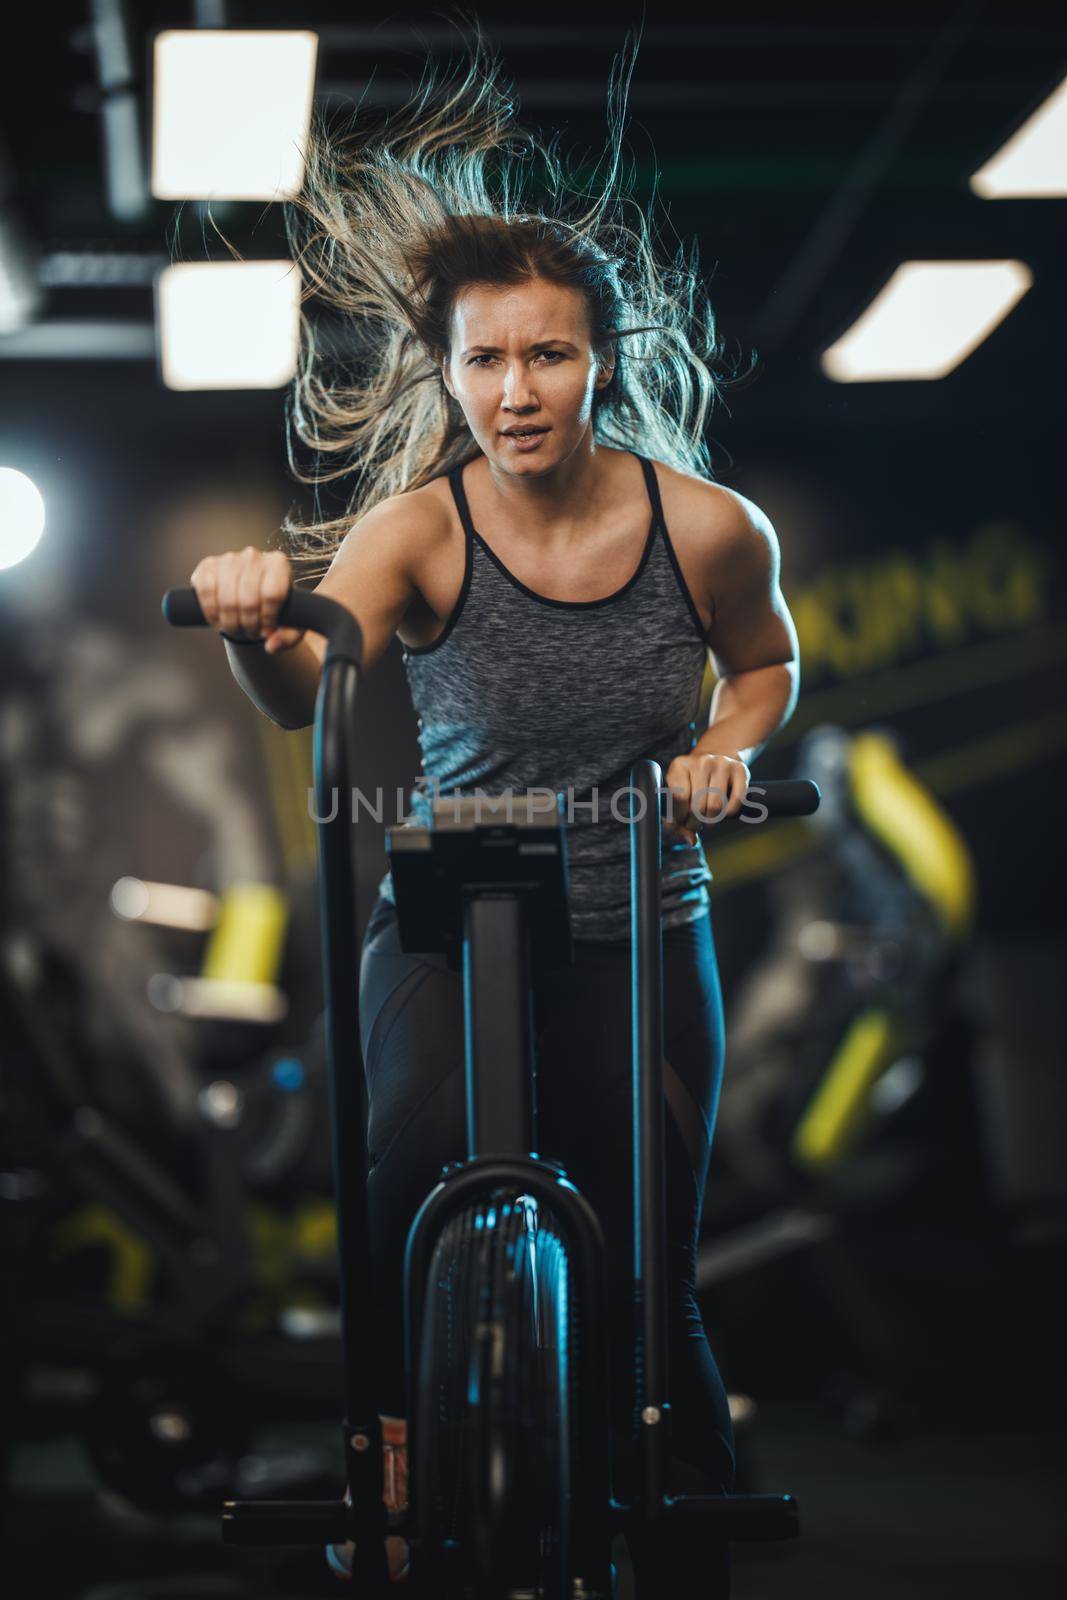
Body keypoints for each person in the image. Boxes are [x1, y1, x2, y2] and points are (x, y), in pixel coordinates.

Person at [189, 23, 799, 1592]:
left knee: (651, 1279)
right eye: (483, 360)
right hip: (447, 924)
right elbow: (306, 697)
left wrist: (726, 745)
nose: (514, 391)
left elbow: (767, 666)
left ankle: (682, 1526)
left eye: (547, 355)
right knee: (407, 1211)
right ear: (446, 372)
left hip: (640, 916)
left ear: (603, 361)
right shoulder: (414, 531)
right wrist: (268, 631)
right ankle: (398, 1470)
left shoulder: (710, 529)